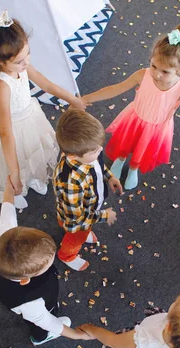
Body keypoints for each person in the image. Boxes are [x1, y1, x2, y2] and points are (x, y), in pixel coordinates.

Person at [0, 11, 85, 208]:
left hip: (29, 116)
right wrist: (13, 172)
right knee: (18, 155)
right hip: (12, 130)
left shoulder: (21, 66)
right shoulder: (1, 86)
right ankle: (18, 180)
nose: (27, 63)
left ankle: (32, 176)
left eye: (28, 54)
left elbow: (46, 84)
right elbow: (6, 133)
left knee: (33, 149)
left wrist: (72, 99)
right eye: (19, 61)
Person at [81, 25, 180, 190]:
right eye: (153, 66)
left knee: (141, 151)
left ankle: (133, 169)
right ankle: (121, 159)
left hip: (155, 129)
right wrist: (87, 98)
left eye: (165, 71)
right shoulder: (142, 75)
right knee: (126, 143)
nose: (157, 74)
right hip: (134, 118)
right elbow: (116, 88)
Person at [0, 175, 91, 345]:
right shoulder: (31, 304)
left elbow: (7, 212)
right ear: (25, 280)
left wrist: (9, 189)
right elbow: (48, 322)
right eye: (47, 264)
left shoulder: (4, 238)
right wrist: (76, 335)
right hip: (34, 306)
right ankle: (39, 338)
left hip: (12, 285)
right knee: (38, 325)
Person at [53, 109, 123, 271]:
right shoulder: (69, 182)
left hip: (88, 206)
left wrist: (109, 176)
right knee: (76, 238)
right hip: (75, 221)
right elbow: (78, 217)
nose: (100, 151)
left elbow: (98, 166)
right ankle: (67, 255)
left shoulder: (87, 151)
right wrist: (105, 215)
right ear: (71, 156)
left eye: (99, 147)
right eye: (95, 151)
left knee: (83, 229)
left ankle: (81, 233)